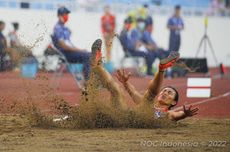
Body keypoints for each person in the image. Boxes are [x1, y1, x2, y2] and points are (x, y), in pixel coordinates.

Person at [86, 39, 199, 121]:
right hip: (123, 116)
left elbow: (177, 115)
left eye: (169, 93)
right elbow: (133, 92)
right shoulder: (144, 103)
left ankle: (161, 69)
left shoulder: (167, 114)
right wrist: (125, 83)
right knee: (117, 91)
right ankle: (97, 64)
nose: (165, 92)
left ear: (173, 102)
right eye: (164, 91)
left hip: (128, 123)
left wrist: (184, 114)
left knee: (149, 96)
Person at [52, 7, 91, 80]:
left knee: (92, 55)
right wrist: (79, 50)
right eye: (65, 14)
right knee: (89, 56)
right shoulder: (58, 28)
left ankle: (90, 80)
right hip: (67, 54)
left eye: (67, 14)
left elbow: (68, 38)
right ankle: (88, 81)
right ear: (60, 16)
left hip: (70, 52)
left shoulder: (63, 27)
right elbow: (64, 46)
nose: (67, 16)